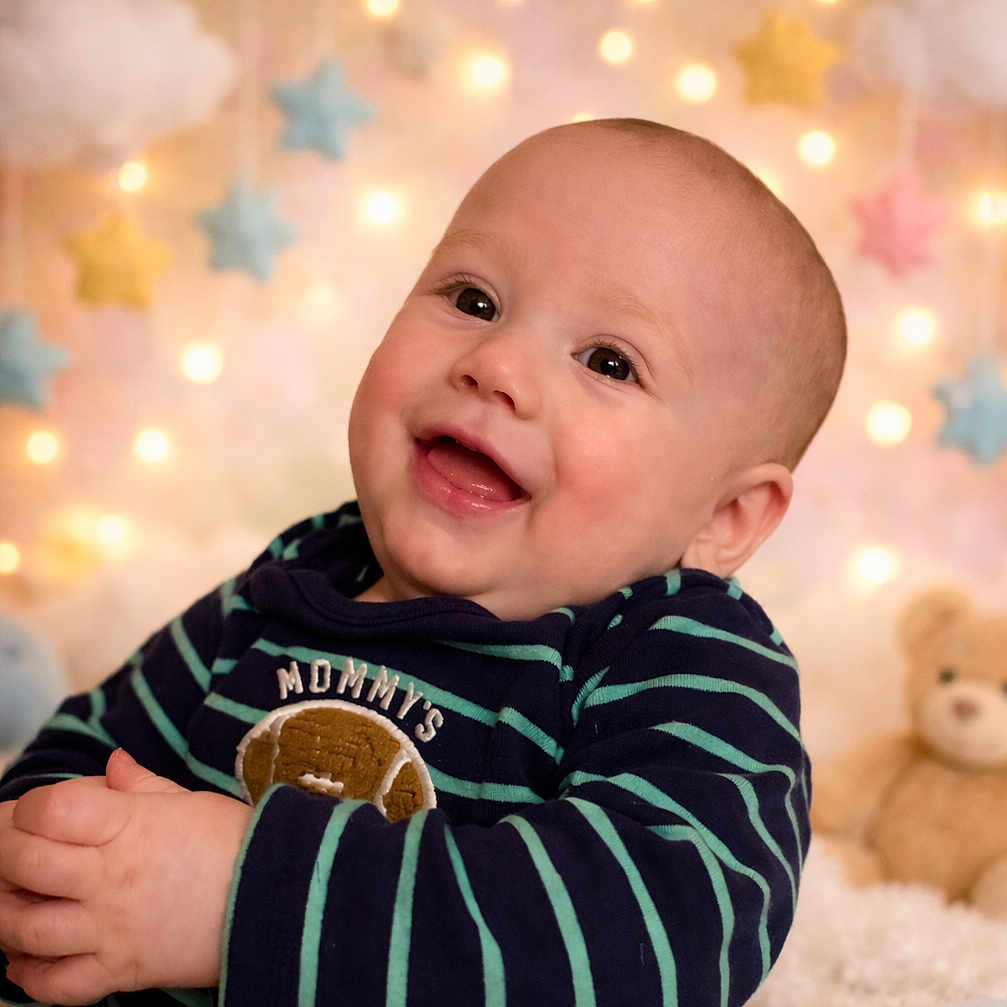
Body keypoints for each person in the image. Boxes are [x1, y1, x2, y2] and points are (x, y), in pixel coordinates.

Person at [0, 117, 846, 1007]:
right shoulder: (298, 578)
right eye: (474, 300)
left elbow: (664, 934)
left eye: (607, 361)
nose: (496, 364)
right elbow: (80, 754)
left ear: (724, 515)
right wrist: (48, 857)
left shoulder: (679, 659)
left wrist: (234, 898)